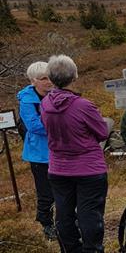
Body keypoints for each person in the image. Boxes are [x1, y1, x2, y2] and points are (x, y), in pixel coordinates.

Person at [40, 55, 109, 252]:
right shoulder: (83, 105)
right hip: (88, 169)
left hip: (58, 169)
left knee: (64, 214)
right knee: (89, 214)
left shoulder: (45, 104)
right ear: (75, 76)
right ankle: (92, 249)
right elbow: (103, 132)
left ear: (51, 79)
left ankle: (70, 249)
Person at [16, 61, 57, 240]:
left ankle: (68, 219)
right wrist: (61, 125)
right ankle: (47, 224)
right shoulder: (27, 100)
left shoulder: (56, 94)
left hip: (59, 149)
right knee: (45, 192)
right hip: (39, 154)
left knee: (66, 187)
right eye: (43, 78)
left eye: (50, 77)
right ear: (33, 81)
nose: (49, 82)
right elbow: (33, 126)